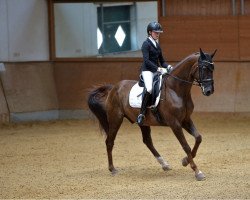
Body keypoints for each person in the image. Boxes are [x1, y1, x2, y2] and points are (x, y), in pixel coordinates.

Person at [137, 22, 172, 125]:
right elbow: (146, 61)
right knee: (149, 88)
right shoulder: (146, 44)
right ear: (150, 32)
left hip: (156, 70)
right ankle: (142, 113)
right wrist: (158, 69)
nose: (157, 34)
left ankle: (158, 108)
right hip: (147, 70)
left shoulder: (157, 45)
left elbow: (162, 61)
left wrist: (168, 66)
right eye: (156, 32)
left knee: (164, 84)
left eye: (159, 33)